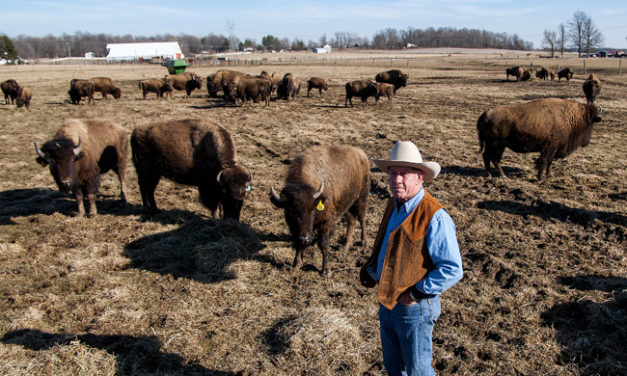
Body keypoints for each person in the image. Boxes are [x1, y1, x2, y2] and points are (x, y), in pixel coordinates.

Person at [360, 141, 463, 376]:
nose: (397, 179)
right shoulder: (393, 205)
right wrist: (373, 271)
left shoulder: (435, 216)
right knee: (395, 368)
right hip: (387, 302)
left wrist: (415, 293)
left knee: (418, 371)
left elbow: (452, 269)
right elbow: (391, 246)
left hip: (414, 308)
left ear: (420, 177)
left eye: (404, 173)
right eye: (393, 173)